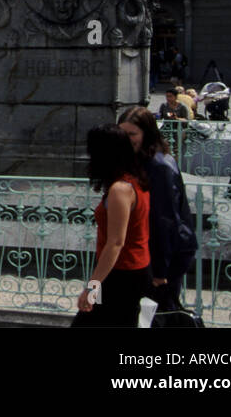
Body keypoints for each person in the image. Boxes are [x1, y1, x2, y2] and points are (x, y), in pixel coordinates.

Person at [118, 107, 198, 315]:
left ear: (147, 133)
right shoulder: (140, 159)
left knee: (157, 313)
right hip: (150, 248)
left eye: (132, 134)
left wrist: (161, 269)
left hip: (164, 252)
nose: (126, 140)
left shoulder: (158, 166)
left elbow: (165, 219)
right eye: (122, 134)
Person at [74, 124, 151, 327]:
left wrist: (92, 287)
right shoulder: (135, 180)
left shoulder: (120, 190)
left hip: (121, 273)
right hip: (129, 269)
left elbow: (116, 242)